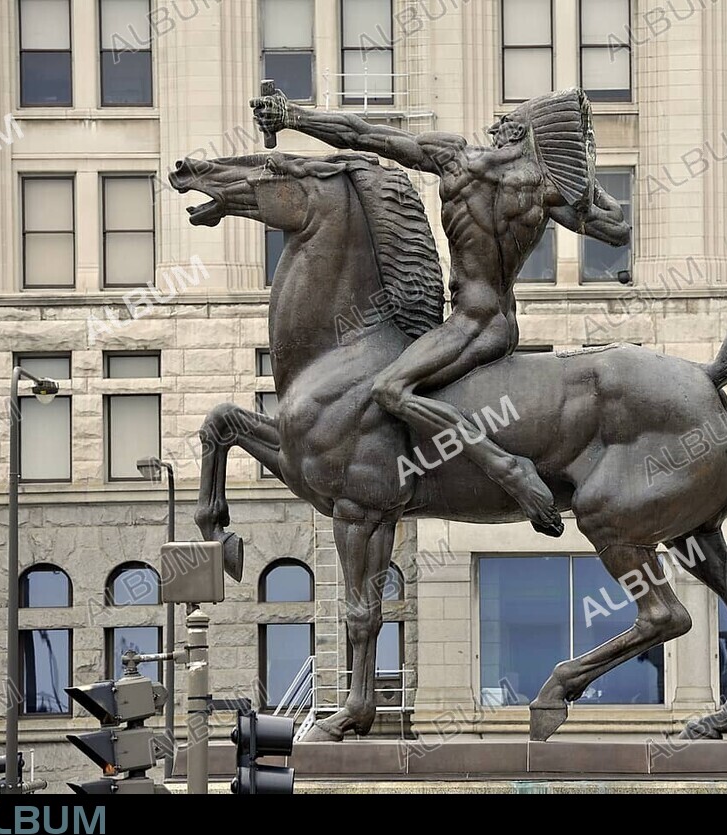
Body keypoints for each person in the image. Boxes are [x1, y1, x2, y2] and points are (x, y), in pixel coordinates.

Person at [252, 88, 631, 536]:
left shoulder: (456, 160)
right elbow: (617, 229)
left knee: (390, 389)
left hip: (472, 324)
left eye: (507, 123)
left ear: (519, 132)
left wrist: (293, 115)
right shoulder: (542, 187)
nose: (496, 128)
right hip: (496, 323)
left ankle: (511, 472)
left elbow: (364, 135)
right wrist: (584, 175)